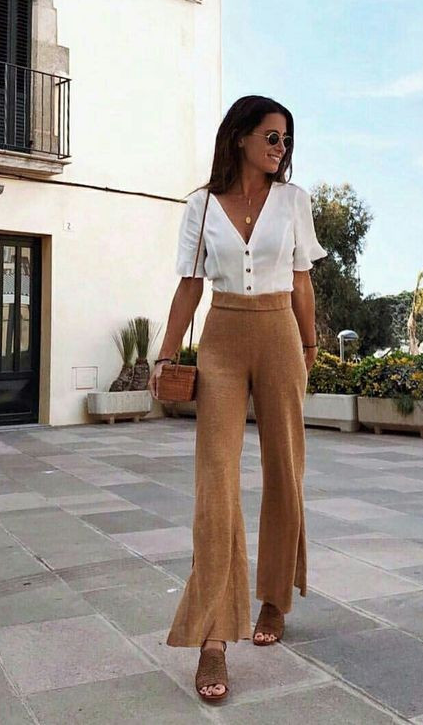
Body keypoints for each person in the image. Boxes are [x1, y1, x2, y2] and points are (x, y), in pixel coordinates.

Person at [147, 95, 327, 704]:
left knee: (285, 467)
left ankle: (274, 598)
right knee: (216, 481)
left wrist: (309, 344)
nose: (280, 148)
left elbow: (301, 280)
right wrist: (165, 355)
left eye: (286, 139)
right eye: (271, 137)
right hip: (222, 336)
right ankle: (213, 636)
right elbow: (189, 286)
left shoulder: (294, 201)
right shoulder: (200, 205)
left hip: (280, 333)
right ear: (242, 136)